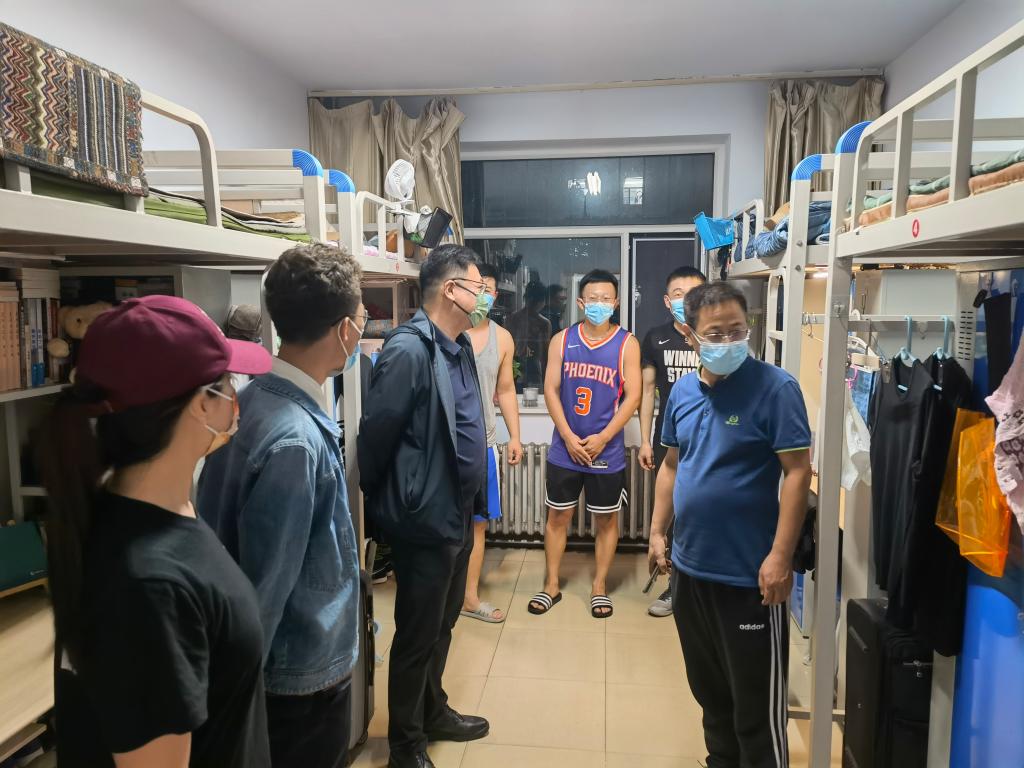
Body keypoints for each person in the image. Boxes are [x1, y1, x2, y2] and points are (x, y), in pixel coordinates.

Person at [38, 296, 273, 767]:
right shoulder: (147, 584)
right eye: (227, 381)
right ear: (200, 404)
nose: (236, 393)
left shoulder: (155, 513)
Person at [198, 243, 365, 768]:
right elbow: (266, 585)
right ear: (344, 330)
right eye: (362, 319)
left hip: (281, 668)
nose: (363, 329)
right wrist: (236, 704)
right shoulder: (295, 442)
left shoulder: (250, 401)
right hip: (296, 679)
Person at [649, 281, 812, 768]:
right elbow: (671, 465)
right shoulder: (682, 391)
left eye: (737, 331)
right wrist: (657, 532)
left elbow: (797, 472)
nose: (728, 342)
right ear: (690, 334)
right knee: (710, 692)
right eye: (715, 334)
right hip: (691, 570)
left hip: (749, 576)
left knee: (755, 708)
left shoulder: (776, 388)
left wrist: (780, 557)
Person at [358, 245, 492, 768]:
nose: (484, 296)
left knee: (443, 625)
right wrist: (392, 504)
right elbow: (377, 437)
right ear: (451, 290)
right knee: (417, 636)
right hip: (425, 518)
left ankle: (433, 711)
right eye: (477, 287)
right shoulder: (408, 350)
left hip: (458, 513)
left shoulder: (458, 345)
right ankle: (405, 745)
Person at [529, 269, 642, 619]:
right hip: (565, 448)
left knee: (606, 521)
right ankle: (551, 584)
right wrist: (567, 436)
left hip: (606, 451)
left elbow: (634, 396)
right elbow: (550, 389)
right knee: (557, 517)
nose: (599, 304)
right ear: (580, 302)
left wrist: (604, 437)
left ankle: (599, 587)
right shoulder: (561, 340)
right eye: (593, 299)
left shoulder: (627, 344)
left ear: (616, 302)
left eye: (606, 299)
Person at [638, 266, 706, 617]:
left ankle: (697, 586)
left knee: (699, 515)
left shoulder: (713, 339)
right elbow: (647, 391)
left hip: (708, 441)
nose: (686, 300)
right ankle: (674, 587)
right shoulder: (655, 338)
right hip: (670, 440)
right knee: (671, 515)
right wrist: (645, 441)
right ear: (667, 301)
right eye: (679, 294)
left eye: (693, 293)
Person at [462, 262, 523, 623]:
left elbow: (506, 389)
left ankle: (469, 598)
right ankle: (443, 593)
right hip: (446, 446)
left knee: (478, 525)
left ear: (496, 295)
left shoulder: (503, 339)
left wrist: (514, 436)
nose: (482, 295)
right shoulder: (446, 333)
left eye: (488, 289)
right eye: (477, 288)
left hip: (483, 444)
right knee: (445, 524)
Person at [506, 279, 552, 391]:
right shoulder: (543, 323)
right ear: (542, 301)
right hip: (534, 370)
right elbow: (545, 354)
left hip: (514, 369)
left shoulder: (511, 319)